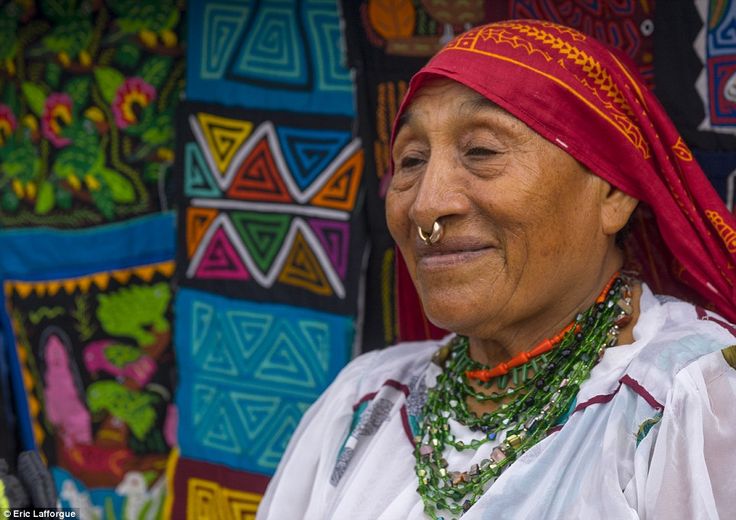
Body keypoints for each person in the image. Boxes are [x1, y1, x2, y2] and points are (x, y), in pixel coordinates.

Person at [257, 20, 736, 520]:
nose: (426, 206)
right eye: (412, 160)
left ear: (612, 192)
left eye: (481, 151)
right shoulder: (365, 399)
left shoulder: (689, 396)